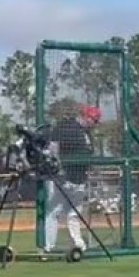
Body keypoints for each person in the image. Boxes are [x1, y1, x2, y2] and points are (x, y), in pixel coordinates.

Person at [43, 104, 101, 254]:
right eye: (94, 120)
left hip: (78, 178)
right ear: (87, 117)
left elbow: (87, 155)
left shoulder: (85, 133)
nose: (94, 124)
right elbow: (53, 148)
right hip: (63, 177)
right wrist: (58, 168)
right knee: (54, 212)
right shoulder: (67, 127)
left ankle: (78, 244)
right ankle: (49, 247)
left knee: (73, 213)